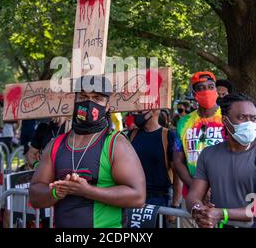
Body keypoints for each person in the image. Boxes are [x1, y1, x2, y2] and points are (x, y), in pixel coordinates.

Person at [29, 75, 146, 228]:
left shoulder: (116, 144)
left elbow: (137, 197)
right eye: (83, 96)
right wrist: (55, 192)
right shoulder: (55, 145)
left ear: (107, 105)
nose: (89, 103)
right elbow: (35, 195)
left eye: (97, 98)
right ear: (75, 100)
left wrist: (87, 190)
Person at [186, 93, 256, 228]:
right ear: (225, 120)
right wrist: (198, 210)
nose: (249, 123)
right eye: (242, 117)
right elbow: (194, 195)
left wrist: (221, 213)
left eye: (253, 118)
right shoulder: (209, 154)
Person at [173, 71, 226, 207]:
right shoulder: (183, 122)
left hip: (223, 194)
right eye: (201, 88)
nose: (207, 91)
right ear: (194, 93)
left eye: (210, 86)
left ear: (215, 89)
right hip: (191, 196)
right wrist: (196, 188)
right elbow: (178, 161)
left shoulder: (227, 118)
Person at [129, 109, 177, 207]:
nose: (135, 114)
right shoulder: (132, 134)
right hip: (134, 196)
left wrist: (175, 204)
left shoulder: (168, 136)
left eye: (140, 112)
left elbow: (177, 173)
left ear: (154, 111)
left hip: (159, 199)